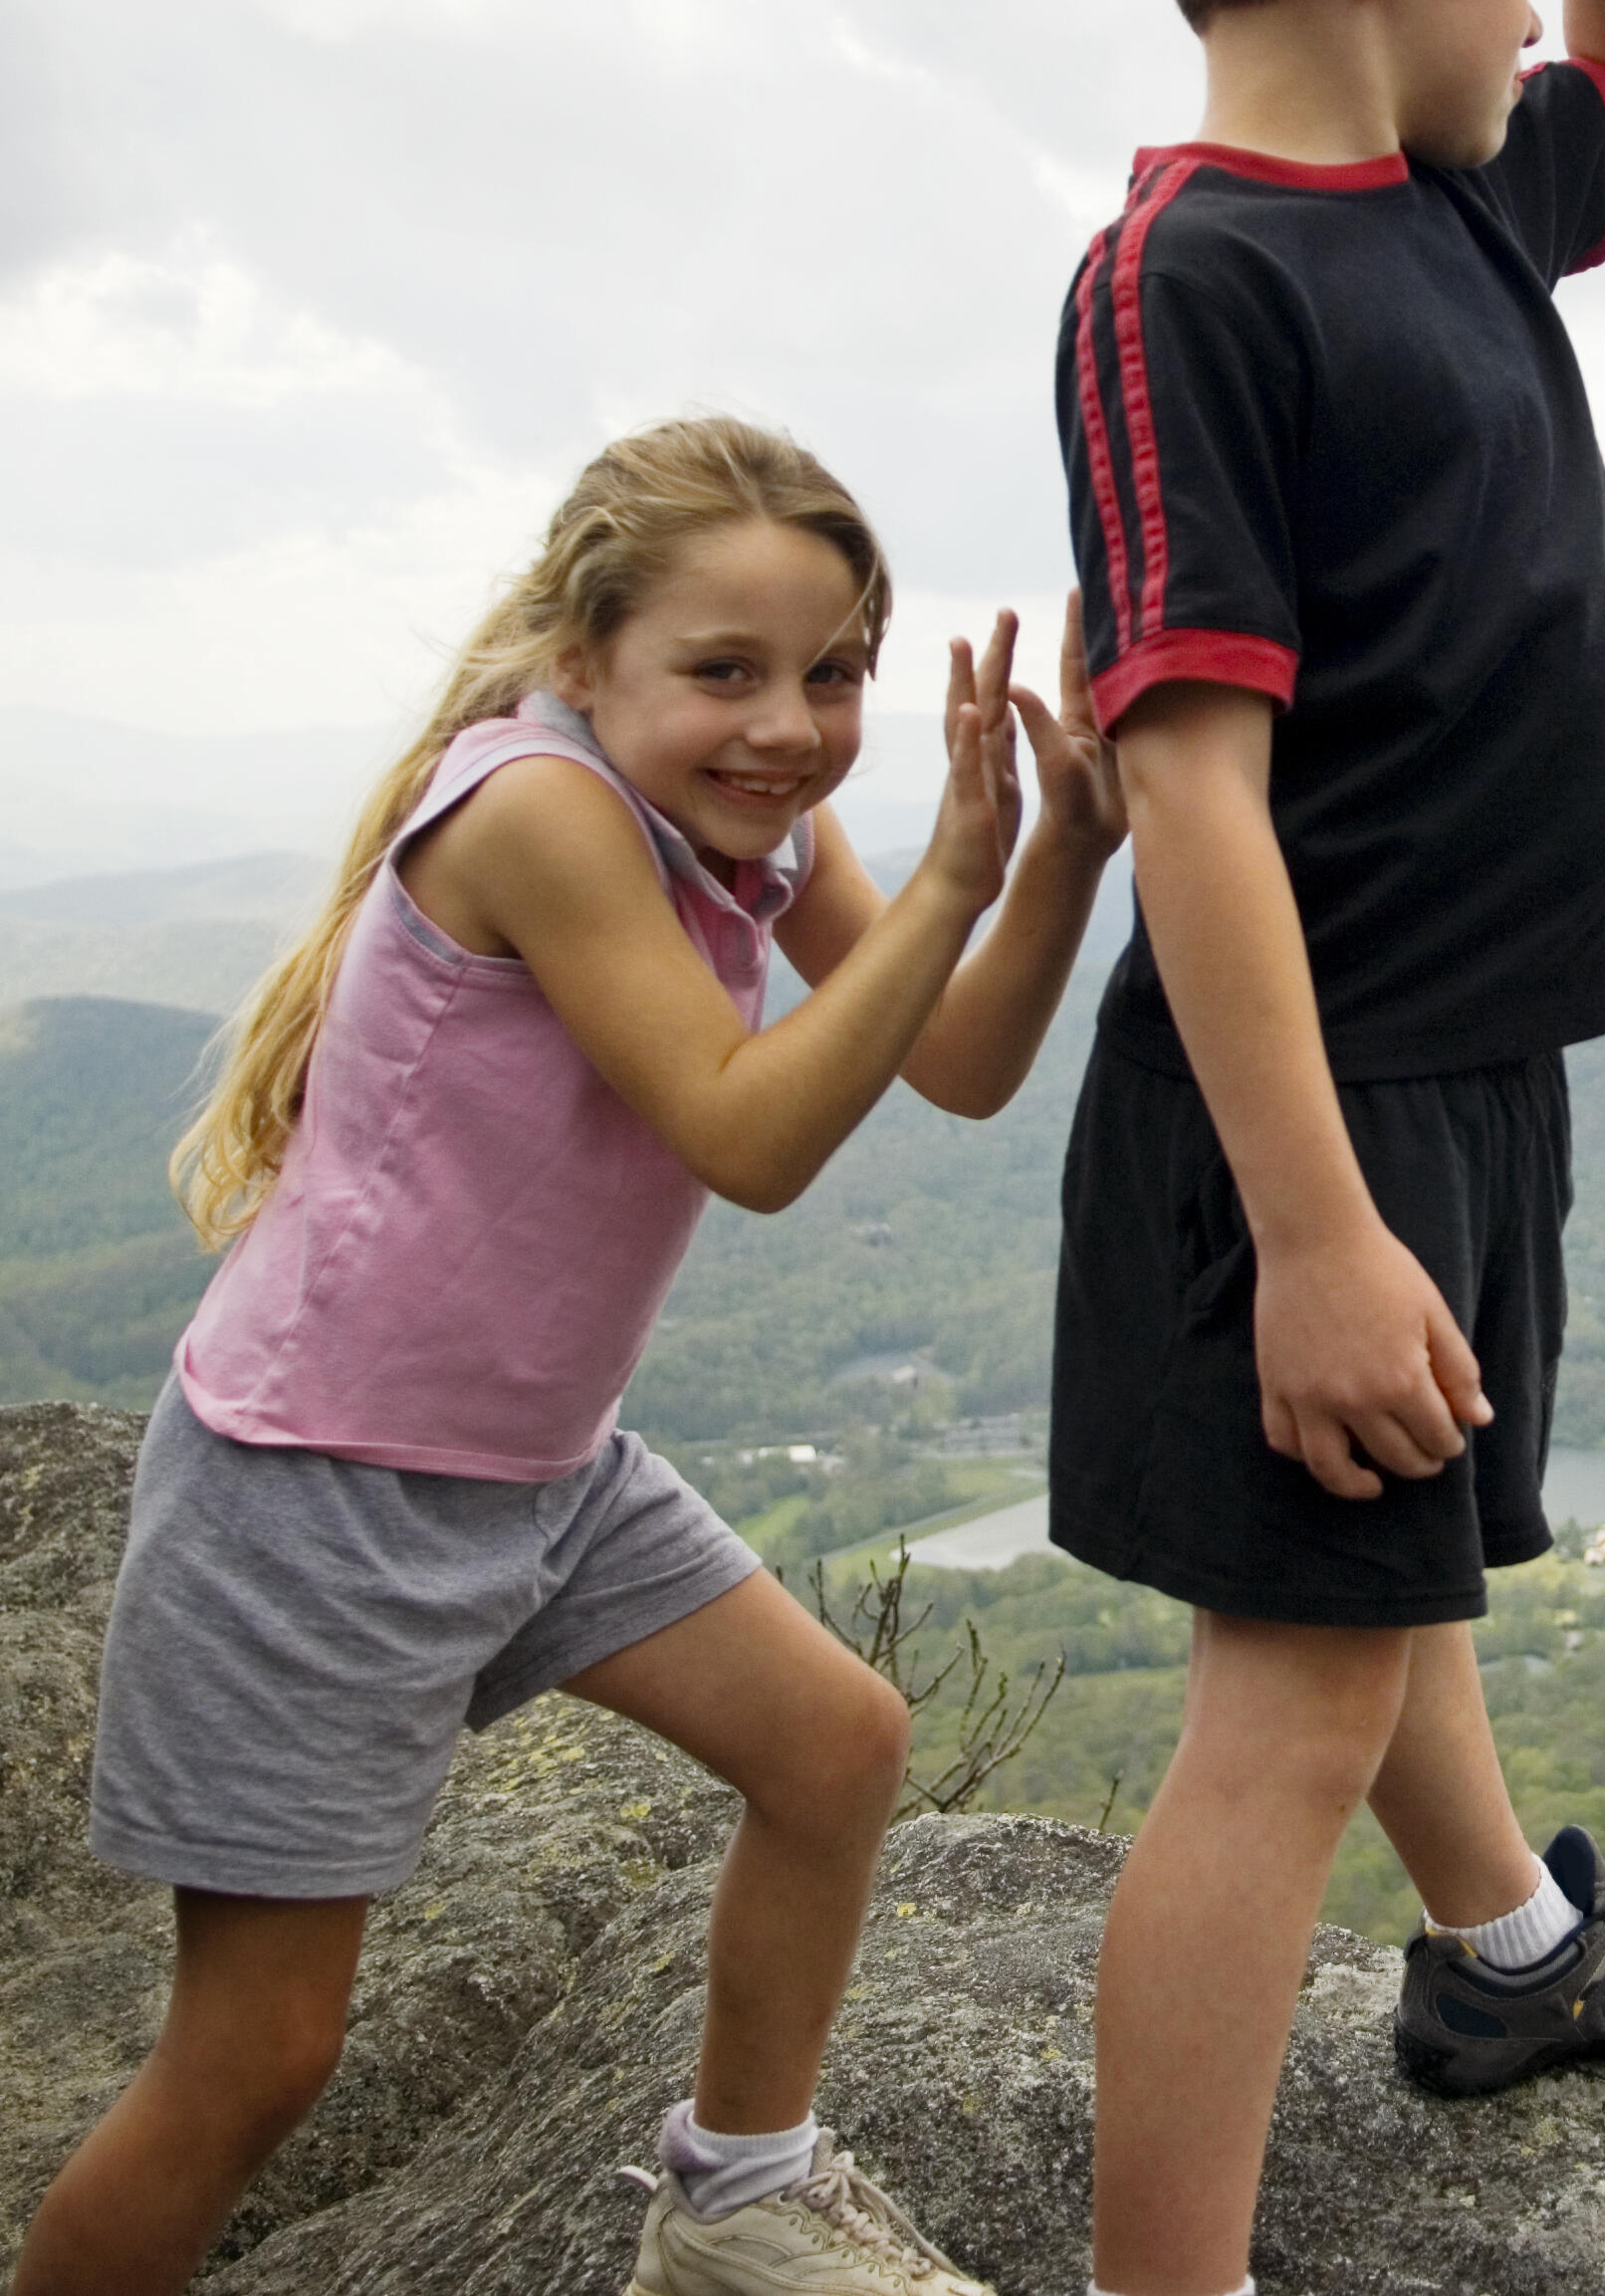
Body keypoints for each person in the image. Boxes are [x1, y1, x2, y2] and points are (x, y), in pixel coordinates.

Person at [8, 415, 1122, 2296]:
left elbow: (962, 1064)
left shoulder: (750, 823)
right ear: (581, 657)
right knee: (257, 2061)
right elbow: (746, 1138)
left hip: (538, 1470)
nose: (787, 724)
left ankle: (740, 2196)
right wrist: (952, 884)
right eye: (724, 672)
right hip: (324, 1487)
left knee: (838, 1745)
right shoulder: (538, 812)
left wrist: (1060, 856)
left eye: (832, 674)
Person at [1048, 0, 1605, 2294]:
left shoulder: (1457, 190)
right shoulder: (1188, 279)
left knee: (1389, 1596)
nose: (1538, 6)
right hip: (1311, 1105)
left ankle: (1501, 1960)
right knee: (1288, 1712)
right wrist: (1321, 1224)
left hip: (1456, 1068)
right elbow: (1189, 785)